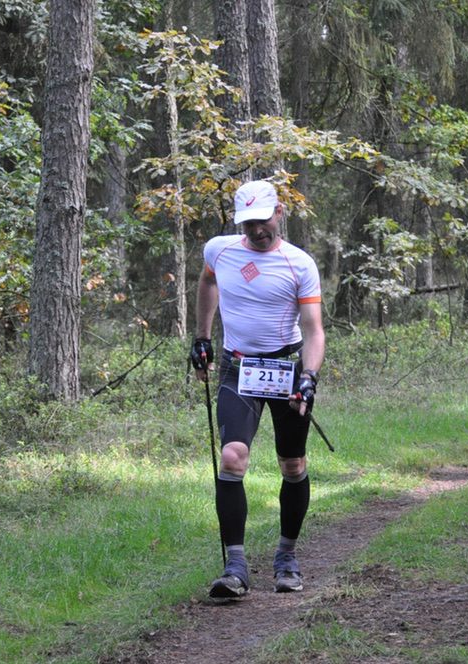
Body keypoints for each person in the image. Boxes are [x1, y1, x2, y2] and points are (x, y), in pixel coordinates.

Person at [190, 180, 325, 599]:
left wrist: (309, 376)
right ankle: (235, 567)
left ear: (279, 213)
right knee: (232, 457)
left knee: (293, 465)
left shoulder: (298, 264)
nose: (256, 230)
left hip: (286, 370)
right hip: (238, 368)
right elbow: (208, 282)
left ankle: (286, 557)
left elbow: (314, 330)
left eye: (262, 221)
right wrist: (202, 337)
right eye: (248, 223)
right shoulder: (220, 250)